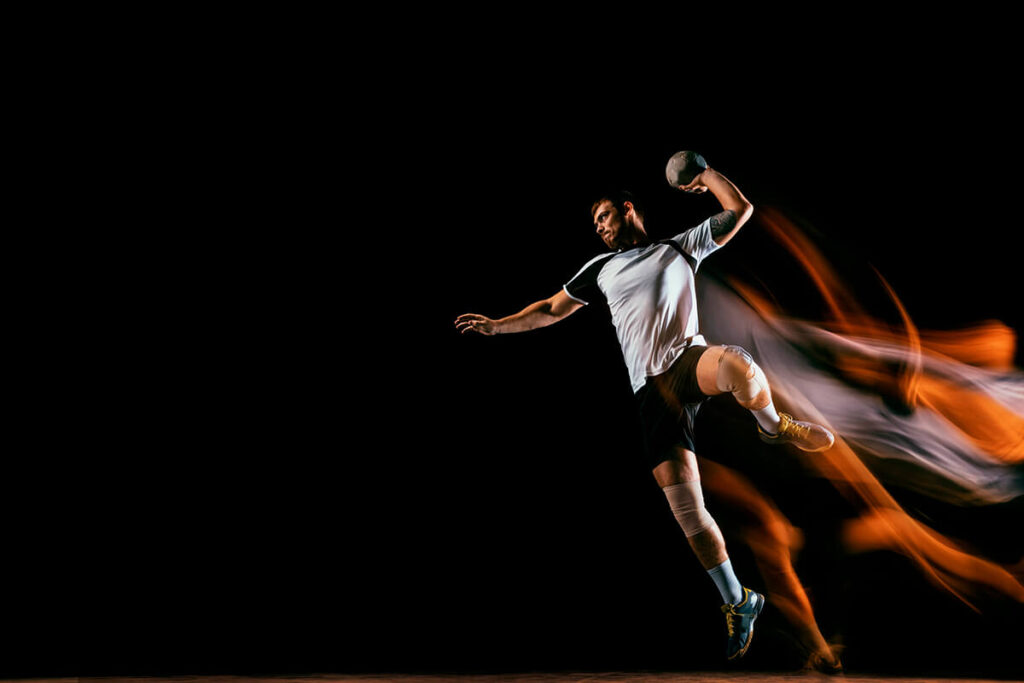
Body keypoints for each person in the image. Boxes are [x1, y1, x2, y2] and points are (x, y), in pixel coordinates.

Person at [455, 164, 835, 662]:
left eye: (606, 215)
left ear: (628, 209)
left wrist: (707, 176)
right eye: (596, 221)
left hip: (687, 363)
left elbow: (739, 210)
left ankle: (775, 427)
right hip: (650, 393)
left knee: (739, 365)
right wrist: (497, 328)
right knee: (687, 510)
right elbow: (550, 309)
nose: (600, 225)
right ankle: (738, 601)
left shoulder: (681, 246)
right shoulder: (599, 269)